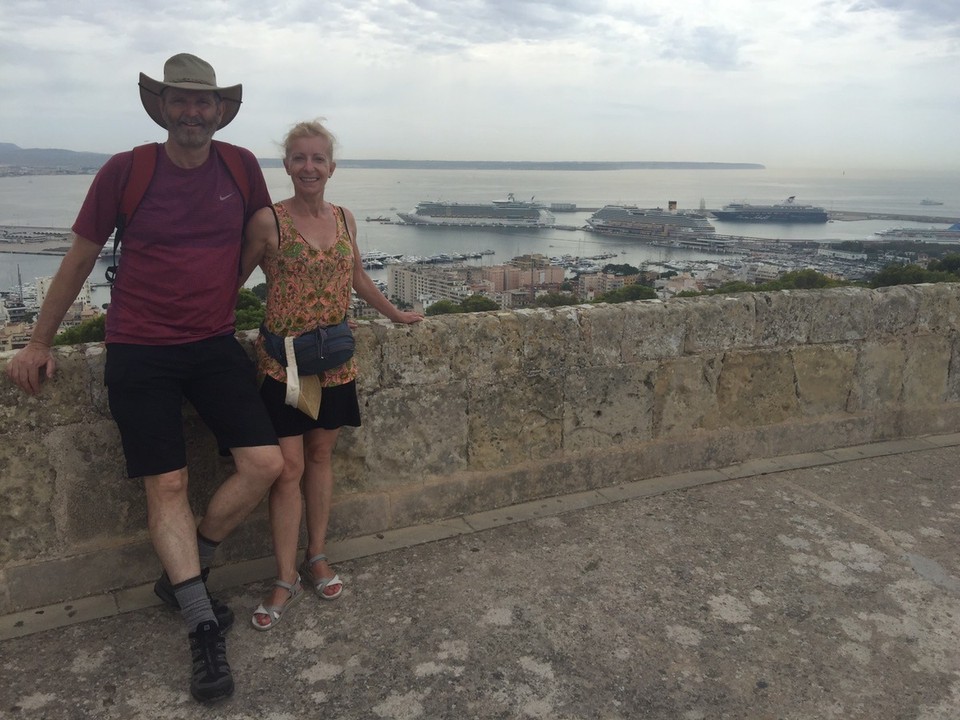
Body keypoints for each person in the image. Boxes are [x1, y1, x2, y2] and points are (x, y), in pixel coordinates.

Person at [5, 53, 283, 704]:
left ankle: (190, 569)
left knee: (266, 463)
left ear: (219, 110)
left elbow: (263, 239)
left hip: (213, 341)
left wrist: (288, 314)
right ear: (162, 107)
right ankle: (200, 623)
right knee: (169, 482)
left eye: (202, 102)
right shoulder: (126, 170)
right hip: (138, 346)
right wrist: (40, 340)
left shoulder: (240, 166)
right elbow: (79, 255)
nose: (192, 111)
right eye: (180, 101)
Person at [240, 119, 422, 631]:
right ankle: (283, 576)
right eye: (299, 158)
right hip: (289, 364)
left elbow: (356, 275)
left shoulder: (345, 218)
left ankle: (316, 555)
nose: (309, 167)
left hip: (335, 360)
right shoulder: (267, 222)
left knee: (320, 456)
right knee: (289, 468)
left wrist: (395, 313)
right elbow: (231, 279)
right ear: (287, 165)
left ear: (332, 167)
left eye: (318, 159)